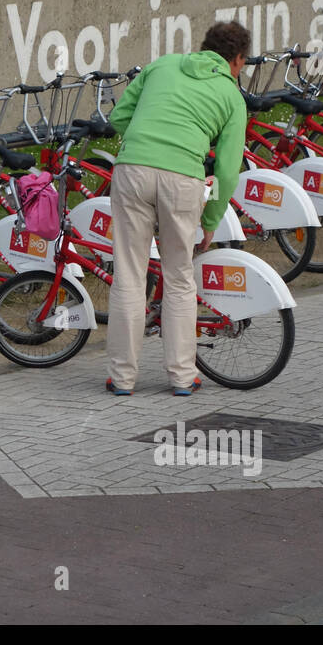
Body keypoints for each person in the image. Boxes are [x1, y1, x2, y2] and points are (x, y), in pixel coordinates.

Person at [104, 21, 251, 397]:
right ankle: (183, 377)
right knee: (180, 277)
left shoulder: (163, 64)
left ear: (203, 46)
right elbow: (228, 170)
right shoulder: (232, 96)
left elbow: (119, 117)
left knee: (129, 275)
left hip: (132, 170)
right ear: (237, 59)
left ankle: (122, 378)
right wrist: (211, 219)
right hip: (184, 179)